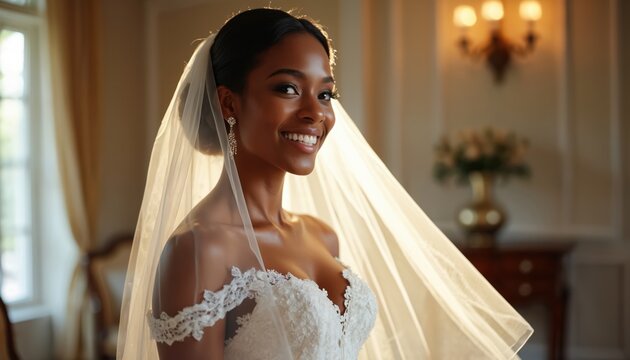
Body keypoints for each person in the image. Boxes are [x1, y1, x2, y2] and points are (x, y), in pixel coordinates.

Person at [117, 8, 533, 360]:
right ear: (229, 102)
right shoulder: (198, 248)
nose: (315, 113)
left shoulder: (322, 236)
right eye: (287, 88)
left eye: (325, 94)